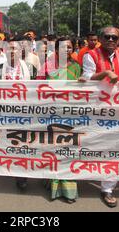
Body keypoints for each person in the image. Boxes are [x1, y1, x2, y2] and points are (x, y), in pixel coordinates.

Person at [79, 26, 119, 208]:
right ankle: (82, 174)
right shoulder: (91, 55)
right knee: (89, 144)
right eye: (107, 37)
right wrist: (106, 74)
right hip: (94, 110)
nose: (111, 40)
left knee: (114, 147)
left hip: (117, 109)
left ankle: (107, 188)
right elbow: (86, 78)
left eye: (114, 37)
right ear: (101, 38)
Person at [37, 37, 80, 203]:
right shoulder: (47, 66)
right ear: (56, 50)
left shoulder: (77, 67)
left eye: (69, 47)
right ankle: (53, 186)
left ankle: (68, 191)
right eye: (63, 47)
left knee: (68, 151)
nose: (66, 50)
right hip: (51, 113)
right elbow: (37, 88)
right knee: (54, 151)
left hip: (71, 114)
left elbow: (83, 90)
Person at [0, 37, 32, 190]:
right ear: (4, 51)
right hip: (3, 112)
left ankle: (21, 176)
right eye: (9, 48)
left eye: (15, 48)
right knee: (3, 141)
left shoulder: (29, 68)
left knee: (20, 143)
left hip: (23, 113)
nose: (12, 51)